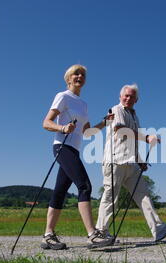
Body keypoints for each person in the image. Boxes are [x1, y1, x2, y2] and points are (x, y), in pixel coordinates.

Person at [41, 64, 114, 250]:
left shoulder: (83, 104)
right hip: (62, 147)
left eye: (82, 74)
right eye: (76, 73)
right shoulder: (62, 96)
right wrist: (62, 128)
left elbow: (87, 132)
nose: (80, 76)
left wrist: (105, 123)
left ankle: (48, 235)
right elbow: (46, 122)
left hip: (74, 149)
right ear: (68, 78)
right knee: (84, 185)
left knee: (59, 192)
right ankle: (92, 235)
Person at [96, 84, 166, 242]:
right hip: (115, 161)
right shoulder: (117, 109)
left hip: (130, 163)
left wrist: (140, 160)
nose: (128, 98)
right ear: (120, 97)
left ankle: (158, 228)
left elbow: (131, 141)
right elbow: (121, 130)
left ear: (137, 99)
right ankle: (101, 232)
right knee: (110, 197)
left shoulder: (135, 116)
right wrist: (147, 137)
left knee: (144, 195)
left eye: (132, 96)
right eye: (126, 95)